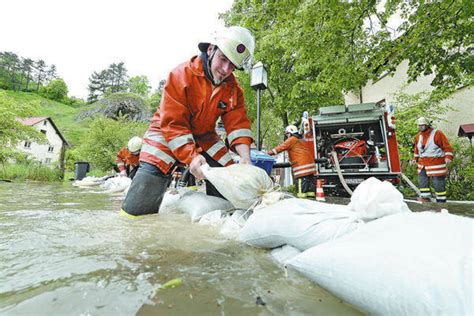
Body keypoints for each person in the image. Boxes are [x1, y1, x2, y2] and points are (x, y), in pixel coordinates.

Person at [121, 26, 255, 216]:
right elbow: (174, 124)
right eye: (223, 59)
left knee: (228, 173)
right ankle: (134, 218)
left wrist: (245, 158)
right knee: (151, 176)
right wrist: (191, 156)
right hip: (166, 132)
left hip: (204, 136)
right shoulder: (181, 75)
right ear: (211, 50)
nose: (226, 69)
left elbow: (238, 124)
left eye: (232, 65)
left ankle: (220, 220)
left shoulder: (233, 89)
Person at [267, 125, 317, 198]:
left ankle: (302, 201)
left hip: (301, 165)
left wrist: (268, 153)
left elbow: (281, 147)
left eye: (287, 133)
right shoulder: (301, 139)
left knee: (302, 182)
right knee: (310, 182)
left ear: (290, 133)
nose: (287, 135)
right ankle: (311, 199)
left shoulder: (292, 139)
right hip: (310, 164)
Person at [413, 117, 454, 203]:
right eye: (419, 125)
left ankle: (441, 201)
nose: (420, 127)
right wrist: (415, 159)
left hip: (436, 164)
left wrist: (448, 157)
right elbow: (417, 149)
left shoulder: (437, 134)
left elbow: (447, 147)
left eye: (422, 125)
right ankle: (425, 198)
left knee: (438, 183)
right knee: (422, 181)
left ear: (427, 125)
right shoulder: (418, 136)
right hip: (423, 164)